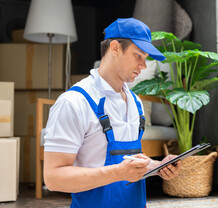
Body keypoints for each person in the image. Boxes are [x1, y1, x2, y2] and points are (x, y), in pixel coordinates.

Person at [43, 18, 181, 208]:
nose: (144, 65)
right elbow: (53, 178)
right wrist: (118, 173)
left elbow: (127, 162)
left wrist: (156, 167)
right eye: (138, 56)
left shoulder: (135, 103)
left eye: (146, 58)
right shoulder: (74, 103)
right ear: (115, 48)